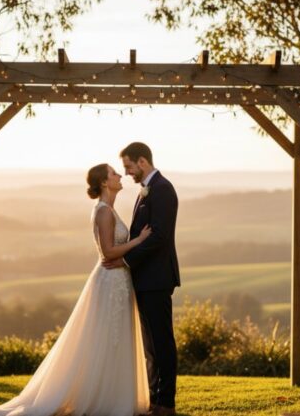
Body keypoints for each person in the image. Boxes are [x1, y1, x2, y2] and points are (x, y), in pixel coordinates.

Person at [0, 163, 151, 416]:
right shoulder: (103, 212)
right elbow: (108, 252)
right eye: (114, 173)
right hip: (110, 281)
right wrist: (138, 240)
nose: (119, 176)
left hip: (119, 280)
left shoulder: (110, 210)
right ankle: (101, 398)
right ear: (105, 183)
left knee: (114, 338)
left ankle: (115, 396)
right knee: (106, 337)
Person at [102, 142, 180, 416]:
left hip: (157, 278)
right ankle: (155, 400)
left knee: (162, 342)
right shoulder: (147, 190)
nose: (127, 173)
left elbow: (159, 236)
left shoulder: (162, 190)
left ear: (143, 162)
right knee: (151, 346)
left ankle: (166, 403)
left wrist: (125, 260)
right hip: (145, 278)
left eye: (129, 167)